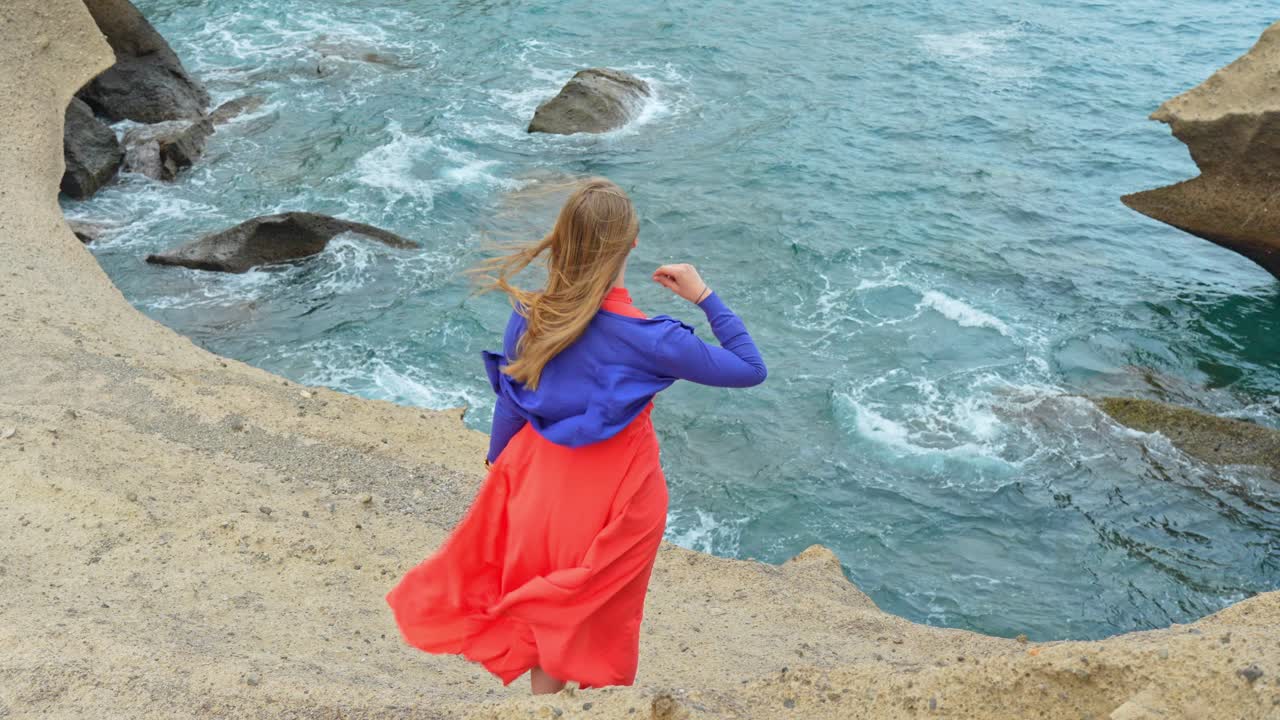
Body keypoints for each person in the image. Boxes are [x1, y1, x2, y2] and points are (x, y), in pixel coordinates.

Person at [384, 177, 766, 694]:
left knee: (544, 601)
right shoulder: (654, 338)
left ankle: (544, 704)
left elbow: (512, 397)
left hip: (537, 480)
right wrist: (704, 296)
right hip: (617, 495)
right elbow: (749, 368)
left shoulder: (531, 314)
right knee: (582, 607)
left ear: (564, 237)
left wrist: (501, 471)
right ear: (632, 242)